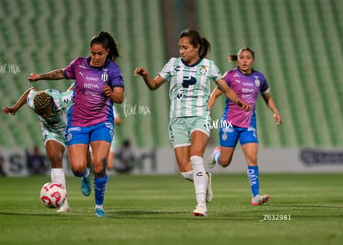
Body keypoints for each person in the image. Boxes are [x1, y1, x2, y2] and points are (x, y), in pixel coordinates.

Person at [134, 28, 249, 217]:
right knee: (185, 170)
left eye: (185, 47)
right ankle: (206, 178)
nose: (181, 51)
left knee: (196, 158)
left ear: (196, 48)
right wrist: (145, 75)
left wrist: (238, 101)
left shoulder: (209, 66)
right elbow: (154, 85)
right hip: (177, 120)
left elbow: (225, 89)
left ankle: (201, 205)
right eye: (180, 47)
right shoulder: (173, 64)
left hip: (199, 117)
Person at [28, 31, 124, 218]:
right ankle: (84, 174)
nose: (95, 57)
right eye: (93, 53)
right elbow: (60, 73)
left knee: (100, 165)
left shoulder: (113, 70)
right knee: (77, 167)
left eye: (100, 54)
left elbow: (119, 97)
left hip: (101, 121)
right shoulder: (79, 64)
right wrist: (40, 76)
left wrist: (110, 93)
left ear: (107, 52)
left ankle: (99, 206)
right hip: (77, 121)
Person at [207, 47, 282, 205]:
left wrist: (275, 111)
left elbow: (267, 97)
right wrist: (206, 111)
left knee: (252, 158)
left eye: (248, 57)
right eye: (242, 57)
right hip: (229, 124)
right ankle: (216, 155)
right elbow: (215, 95)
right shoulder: (230, 76)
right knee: (225, 162)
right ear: (238, 60)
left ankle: (255, 196)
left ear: (252, 60)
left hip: (248, 124)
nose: (245, 60)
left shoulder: (259, 78)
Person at [2, 84, 75, 212]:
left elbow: (77, 85)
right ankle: (64, 203)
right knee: (55, 158)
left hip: (72, 129)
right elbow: (30, 91)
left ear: (52, 105)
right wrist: (14, 108)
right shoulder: (33, 100)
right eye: (40, 113)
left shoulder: (62, 100)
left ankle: (85, 175)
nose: (44, 116)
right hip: (52, 131)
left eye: (45, 112)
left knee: (79, 167)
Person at [107, 105, 121, 171]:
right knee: (96, 164)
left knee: (109, 165)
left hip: (109, 135)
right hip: (93, 135)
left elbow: (118, 120)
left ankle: (103, 178)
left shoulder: (109, 104)